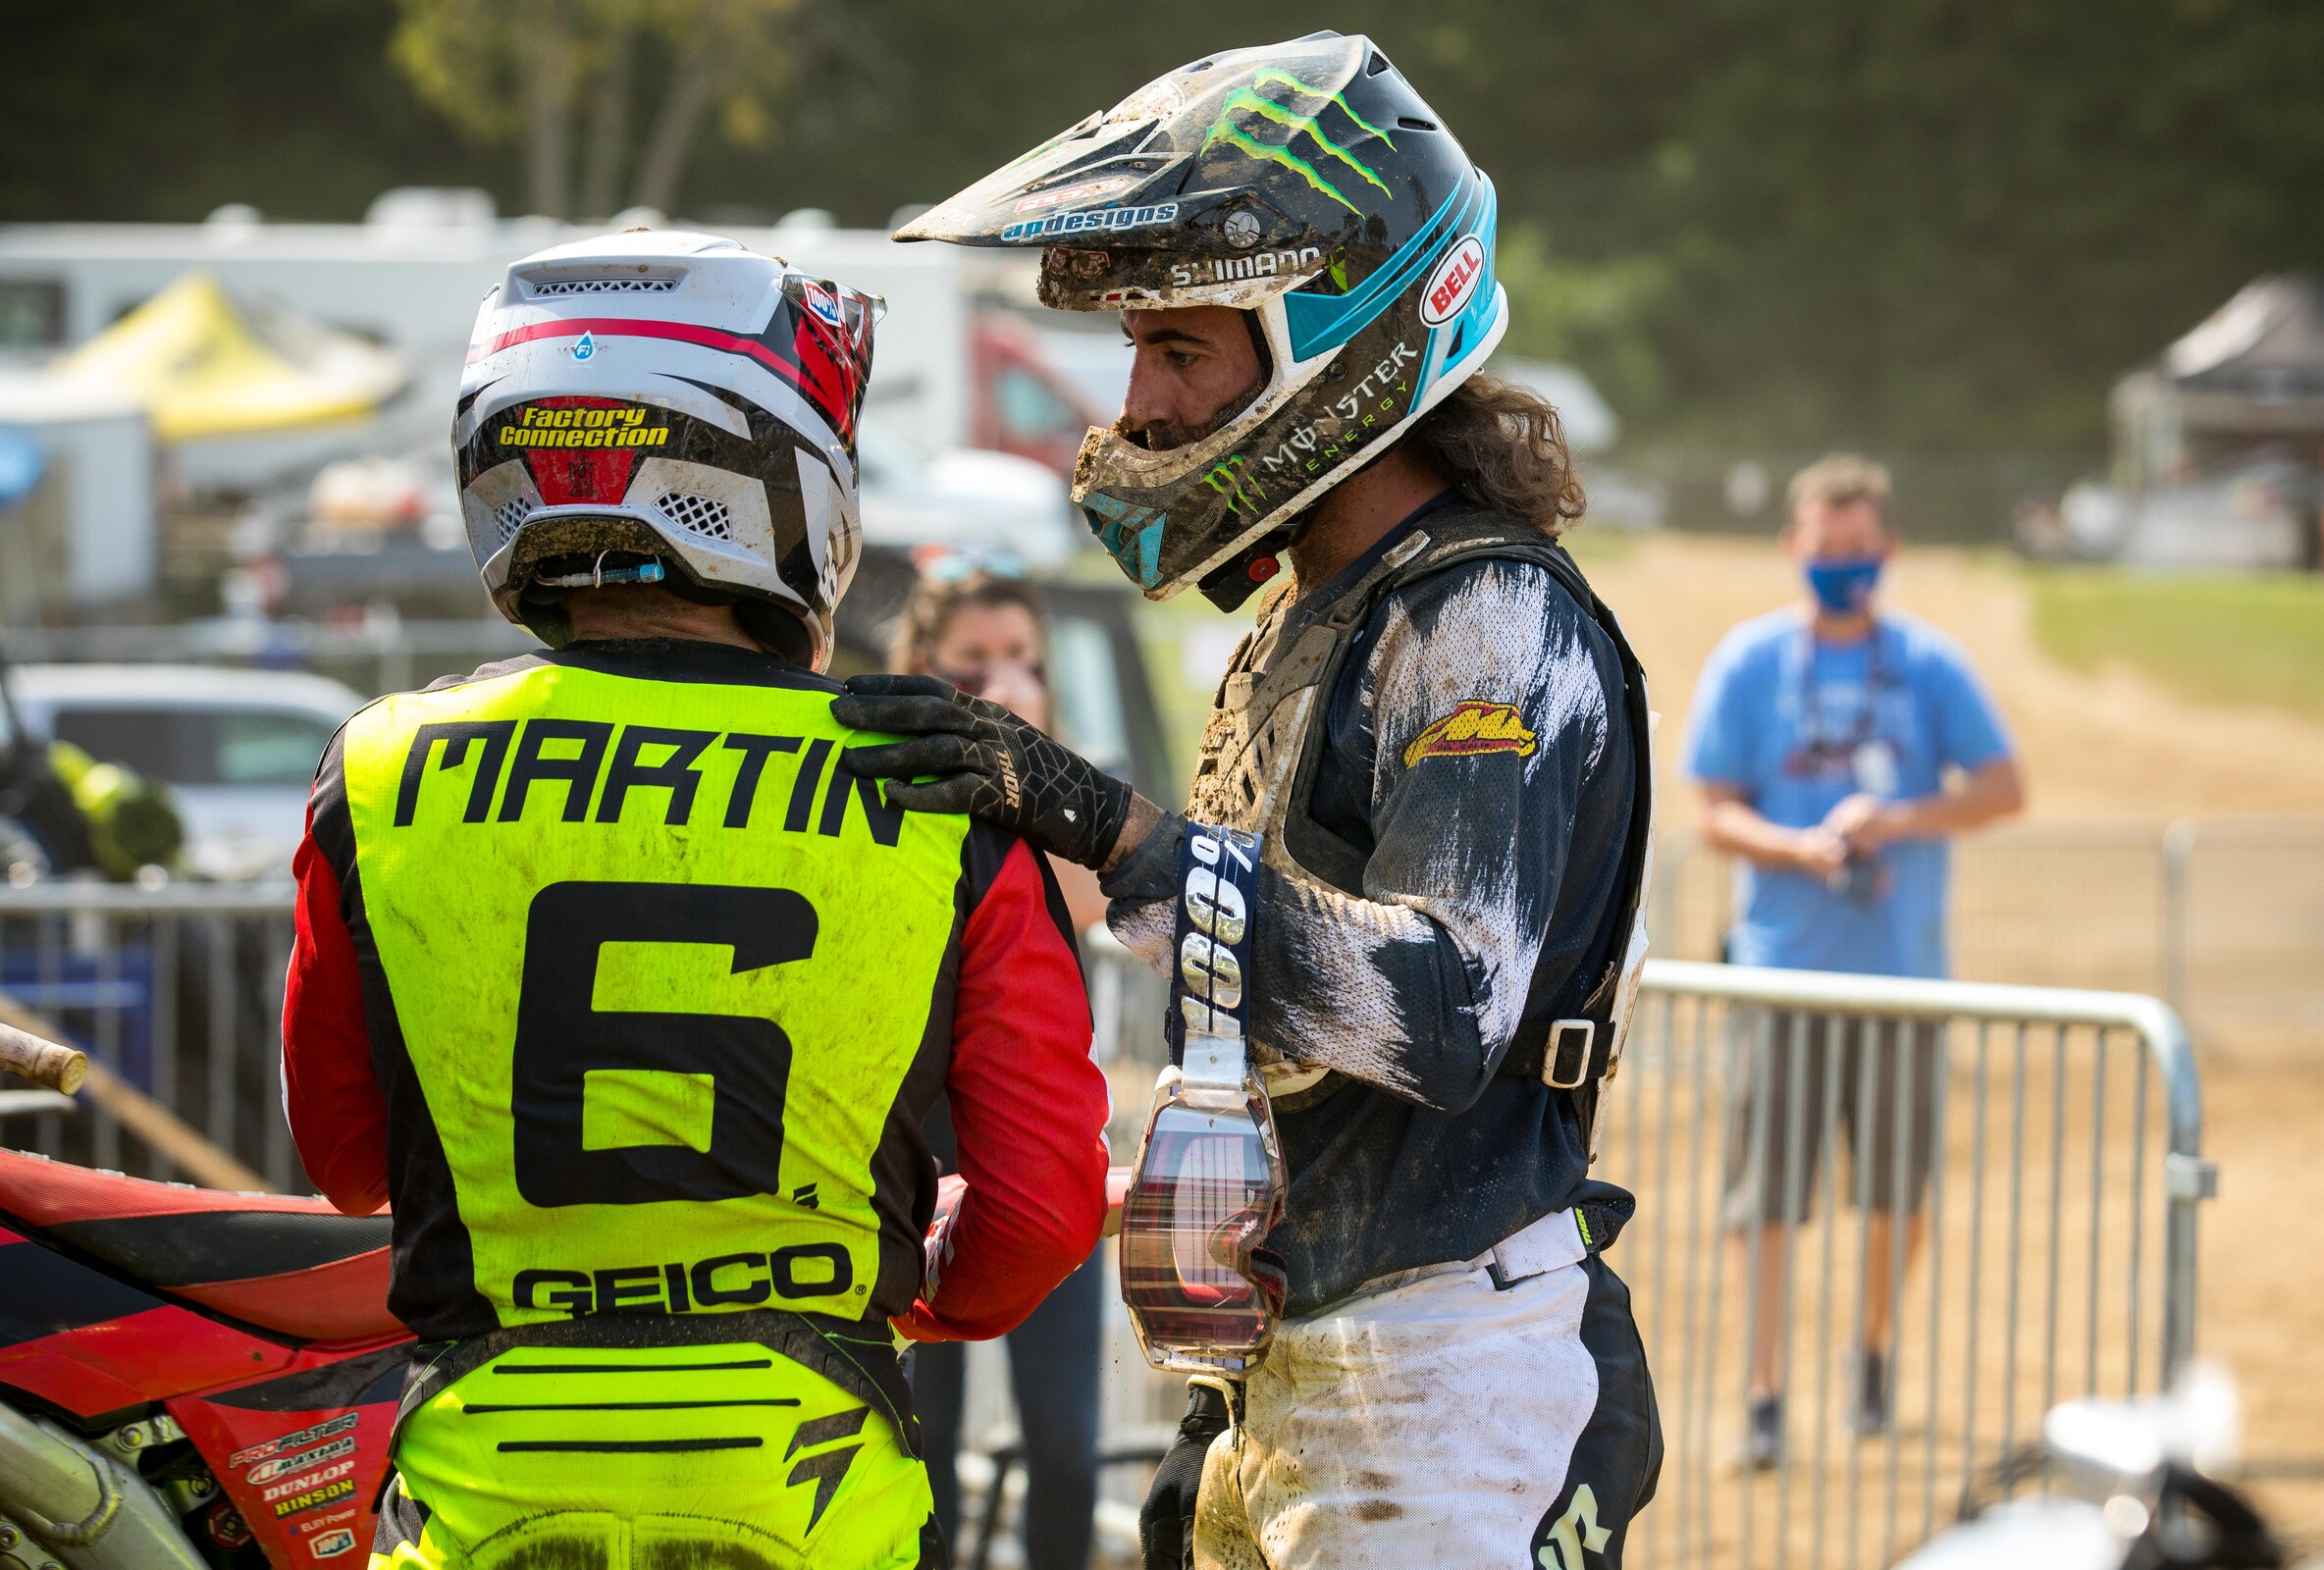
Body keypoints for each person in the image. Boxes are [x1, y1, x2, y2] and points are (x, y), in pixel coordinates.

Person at [834, 33, 1662, 1570]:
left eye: (1182, 351)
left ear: (1331, 343)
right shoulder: (1309, 615)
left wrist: (1118, 832)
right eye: (1139, 350)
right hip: (1293, 1352)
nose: (1135, 401)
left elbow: (1441, 1013)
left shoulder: (1480, 621)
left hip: (1441, 1369)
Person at [278, 230, 1109, 1570]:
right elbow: (1036, 1216)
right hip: (808, 1479)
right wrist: (883, 1300)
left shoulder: (375, 775)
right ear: (792, 482)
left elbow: (349, 1159)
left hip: (481, 1484)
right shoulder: (937, 787)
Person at [1681, 454, 2025, 1466]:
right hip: (1779, 973)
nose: (1842, 566)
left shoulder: (1931, 664)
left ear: (1889, 551)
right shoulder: (1748, 664)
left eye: (1858, 551)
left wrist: (1900, 818)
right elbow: (1712, 809)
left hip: (1901, 978)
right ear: (1796, 550)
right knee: (1765, 1197)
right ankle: (1763, 1390)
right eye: (1825, 551)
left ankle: (1871, 1357)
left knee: (1893, 1190)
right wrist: (1803, 845)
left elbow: (2004, 787)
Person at [893, 565, 1105, 1570]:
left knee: (1064, 1429)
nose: (1003, 680)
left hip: (1039, 1157)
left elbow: (1091, 899)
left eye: (1022, 658)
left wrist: (1031, 771)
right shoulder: (887, 789)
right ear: (921, 669)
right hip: (910, 1161)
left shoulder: (1074, 791)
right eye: (974, 662)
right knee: (916, 1430)